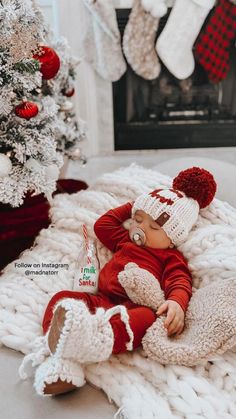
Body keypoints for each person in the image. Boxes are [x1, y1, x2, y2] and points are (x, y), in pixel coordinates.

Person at [34, 167, 217, 395]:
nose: (141, 229)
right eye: (138, 220)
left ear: (173, 239)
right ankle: (58, 352)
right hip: (102, 300)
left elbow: (179, 282)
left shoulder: (171, 257)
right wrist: (135, 205)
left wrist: (176, 303)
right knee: (62, 299)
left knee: (147, 318)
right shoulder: (125, 241)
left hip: (133, 307)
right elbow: (103, 226)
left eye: (153, 227)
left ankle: (93, 342)